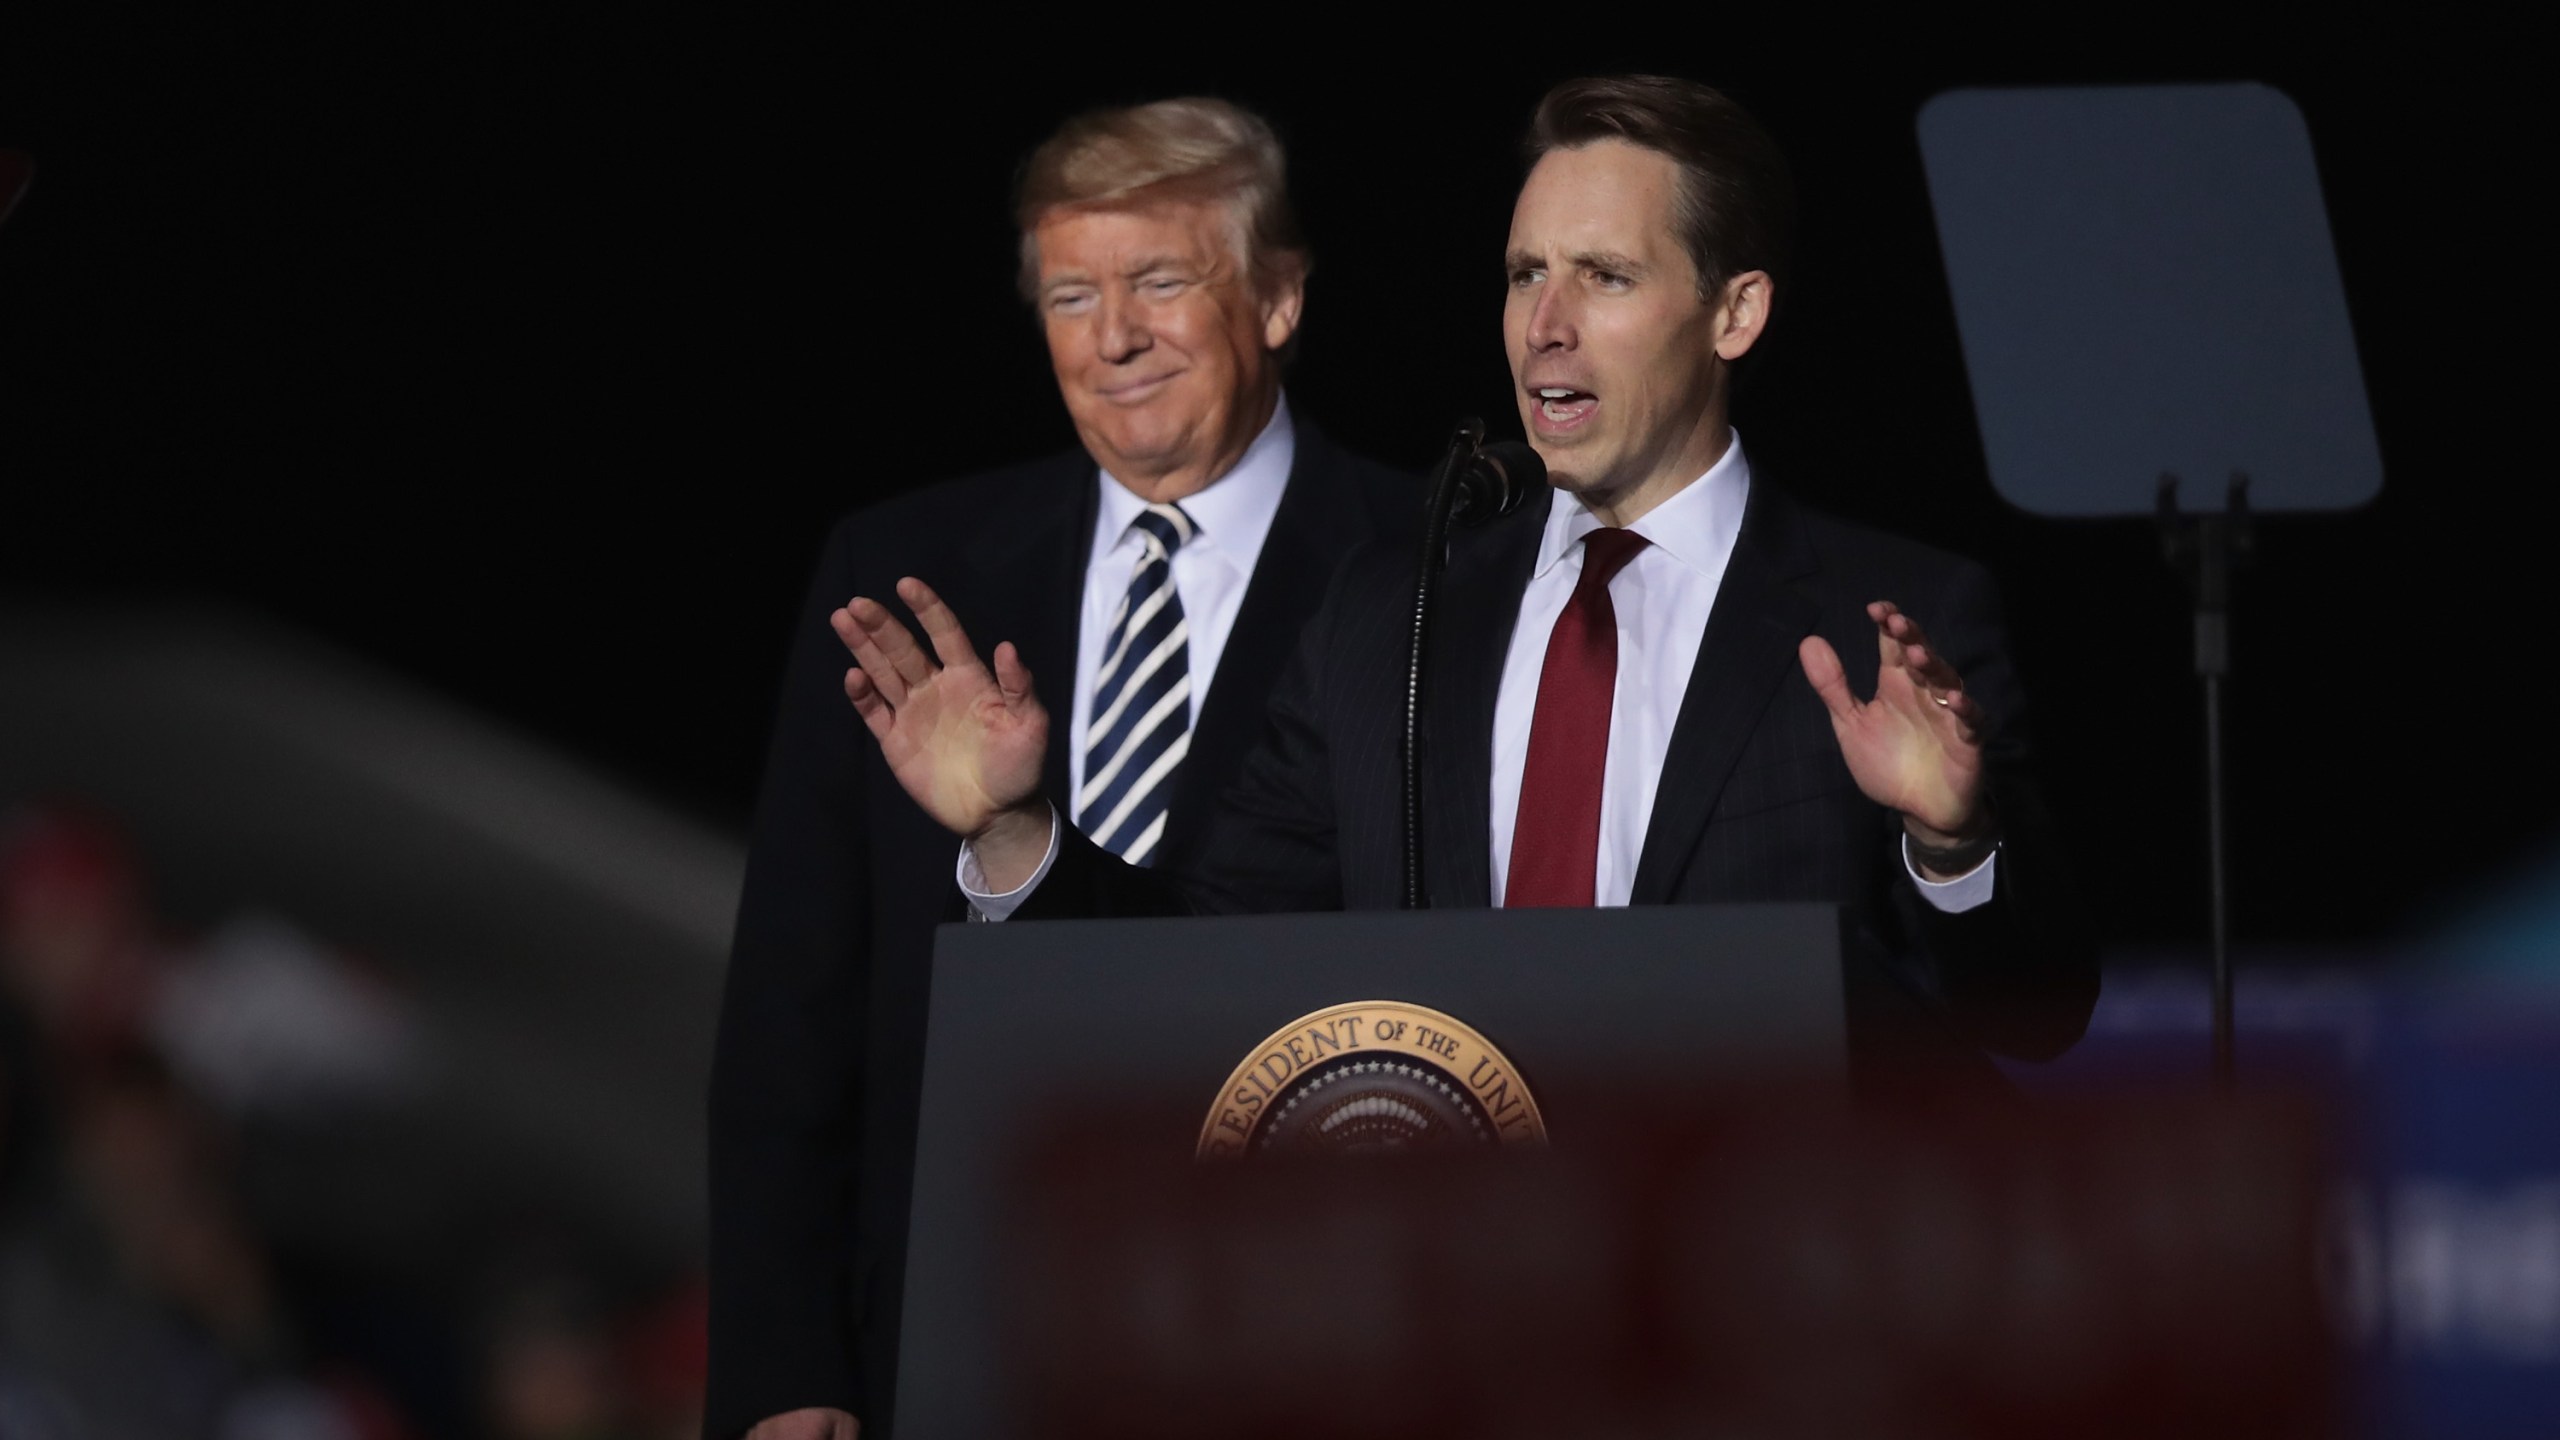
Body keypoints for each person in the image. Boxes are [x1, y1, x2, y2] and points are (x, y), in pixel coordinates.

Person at [833, 76, 2099, 1079]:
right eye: (1522, 273)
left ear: (1734, 314)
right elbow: (1194, 971)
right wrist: (1013, 833)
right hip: (1451, 1320)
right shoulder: (1395, 612)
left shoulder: (1883, 619)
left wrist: (1951, 839)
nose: (1543, 321)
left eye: (1603, 276)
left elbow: (2031, 1021)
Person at [704, 99, 1415, 1439]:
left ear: (1276, 298)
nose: (1114, 339)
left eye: (1160, 282)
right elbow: (789, 1017)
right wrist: (782, 1372)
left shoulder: (1435, 572)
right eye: (1072, 294)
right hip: (958, 1340)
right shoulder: (902, 573)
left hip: (1309, 1336)